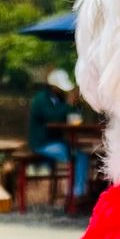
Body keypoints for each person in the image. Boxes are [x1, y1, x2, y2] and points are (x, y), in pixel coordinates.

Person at [27, 68, 90, 199]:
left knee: (82, 155)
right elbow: (53, 117)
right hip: (42, 143)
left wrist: (75, 104)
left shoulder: (59, 99)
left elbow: (70, 115)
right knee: (76, 156)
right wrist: (68, 104)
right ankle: (76, 194)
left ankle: (80, 191)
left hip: (57, 141)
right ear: (53, 86)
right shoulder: (41, 99)